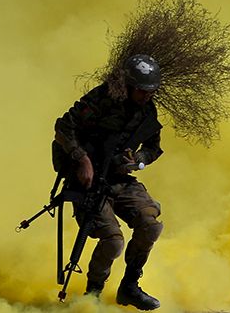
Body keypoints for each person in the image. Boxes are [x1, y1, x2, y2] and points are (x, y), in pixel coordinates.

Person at [53, 54, 165, 310]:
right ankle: (92, 295)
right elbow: (63, 128)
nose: (146, 95)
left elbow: (153, 148)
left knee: (150, 225)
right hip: (88, 182)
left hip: (119, 178)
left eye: (150, 91)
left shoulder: (147, 109)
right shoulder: (103, 99)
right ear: (127, 85)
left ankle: (129, 287)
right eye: (141, 90)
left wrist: (137, 159)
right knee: (113, 241)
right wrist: (82, 159)